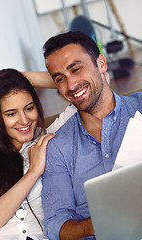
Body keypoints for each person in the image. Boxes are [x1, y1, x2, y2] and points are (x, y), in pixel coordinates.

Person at [25, 31, 142, 240]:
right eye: (59, 79)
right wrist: (94, 224)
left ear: (101, 64)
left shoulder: (140, 107)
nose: (71, 86)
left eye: (76, 69)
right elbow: (55, 224)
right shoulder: (58, 147)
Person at [0, 68, 54, 240]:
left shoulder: (50, 138)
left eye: (29, 108)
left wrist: (22, 79)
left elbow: (77, 82)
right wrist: (33, 172)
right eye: (11, 113)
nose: (24, 120)